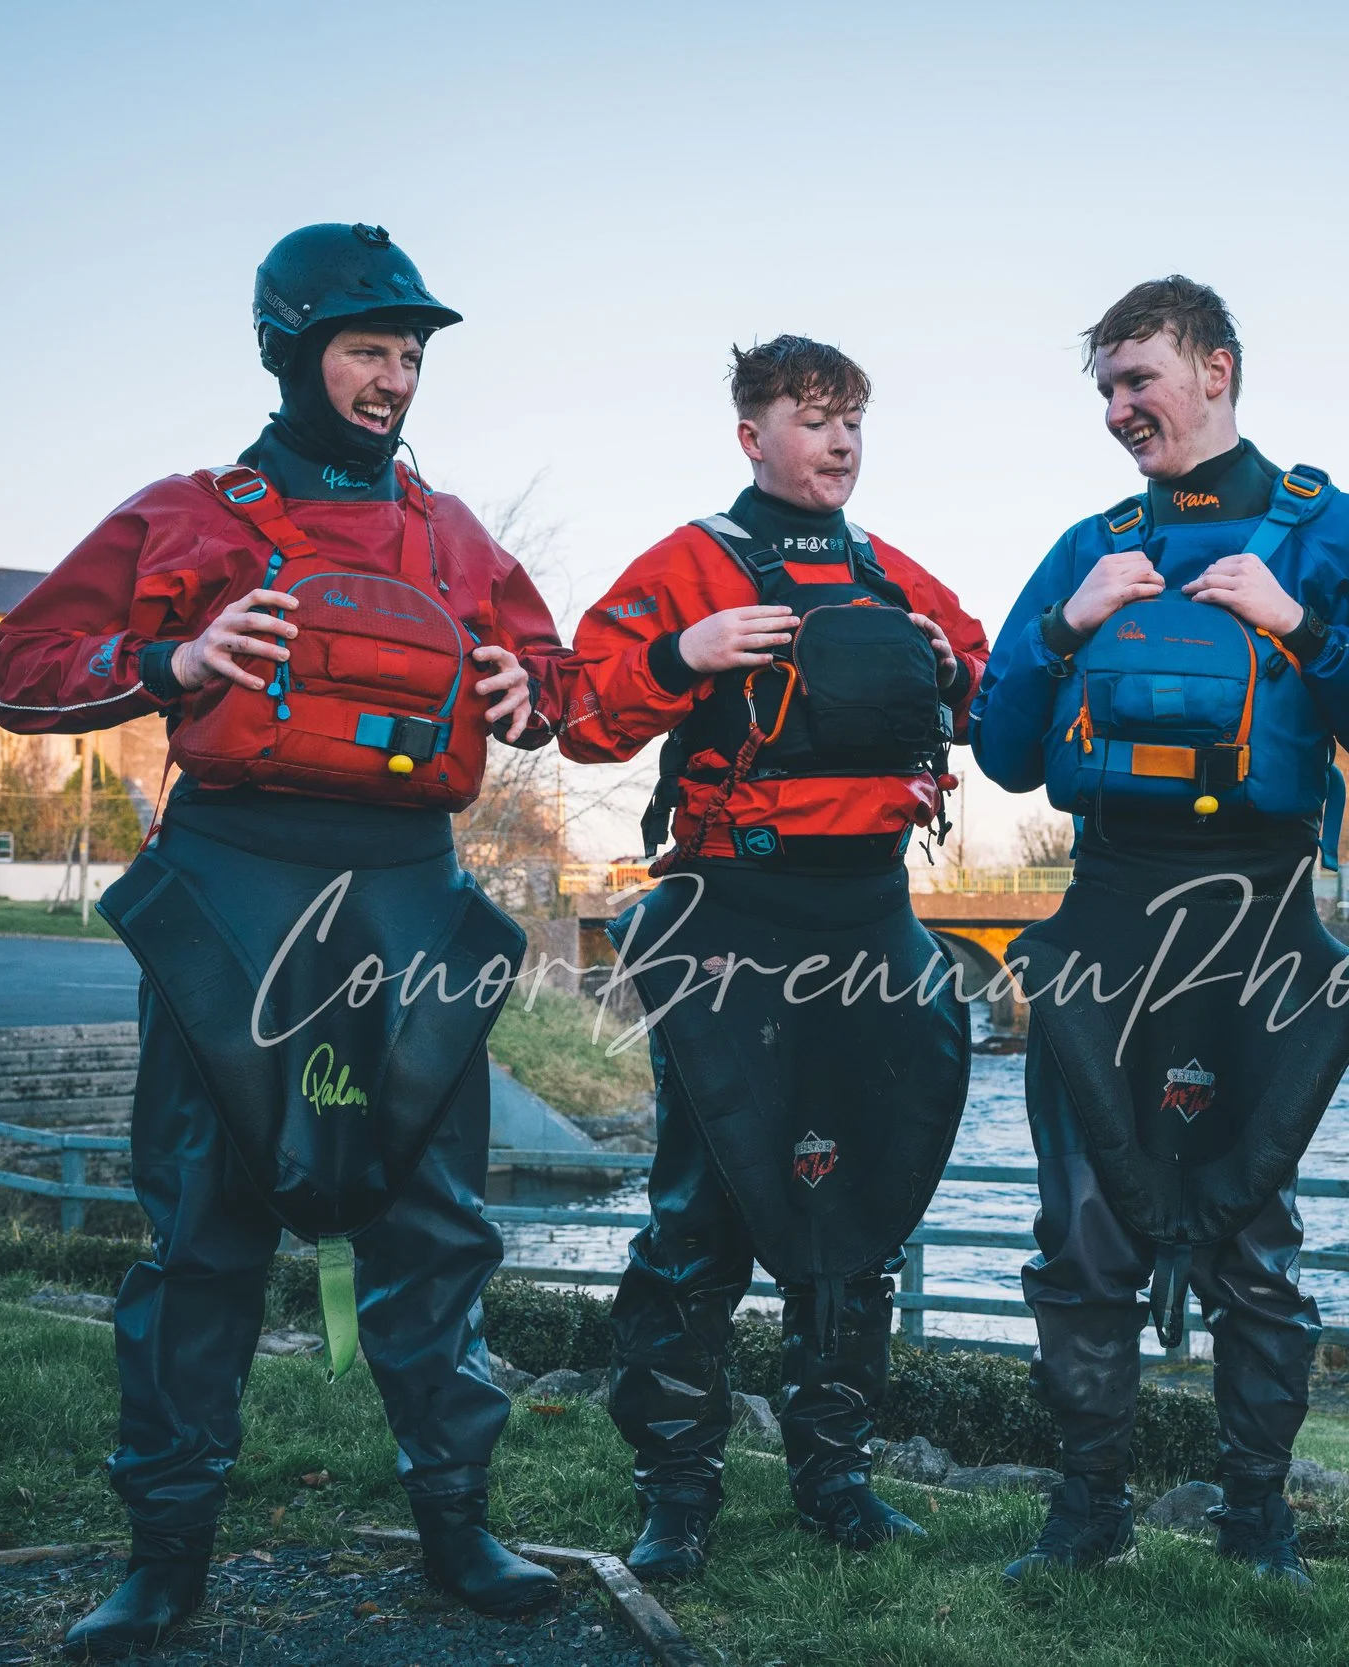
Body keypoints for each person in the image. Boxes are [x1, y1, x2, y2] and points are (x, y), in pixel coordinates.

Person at [0, 222, 571, 1656]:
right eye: (368, 348)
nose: (395, 378)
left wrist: (528, 690)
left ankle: (457, 1523)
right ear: (288, 350)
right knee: (203, 1224)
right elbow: (16, 669)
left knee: (436, 1224)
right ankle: (166, 1553)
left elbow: (554, 676)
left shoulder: (455, 532)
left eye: (410, 354)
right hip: (234, 886)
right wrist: (166, 660)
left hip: (409, 892)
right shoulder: (186, 513)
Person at [971, 276, 1349, 1587]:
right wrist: (1065, 623)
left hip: (1265, 915)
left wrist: (1302, 625)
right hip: (1109, 908)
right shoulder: (1091, 543)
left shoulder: (1331, 529)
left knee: (1254, 1230)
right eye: (1107, 388)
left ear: (1215, 369)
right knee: (1082, 1228)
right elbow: (1003, 753)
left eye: (1141, 379)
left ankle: (1256, 1517)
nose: (1121, 408)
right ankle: (1087, 1512)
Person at [551, 336, 989, 1582]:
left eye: (852, 420)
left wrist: (954, 668)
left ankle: (835, 1476)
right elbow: (579, 716)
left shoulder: (890, 573)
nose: (839, 441)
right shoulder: (687, 562)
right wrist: (679, 657)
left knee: (858, 1201)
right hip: (728, 913)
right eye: (811, 418)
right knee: (699, 1210)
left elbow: (993, 695)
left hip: (870, 916)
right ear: (752, 436)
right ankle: (678, 1487)